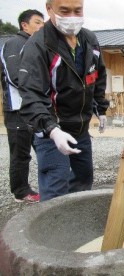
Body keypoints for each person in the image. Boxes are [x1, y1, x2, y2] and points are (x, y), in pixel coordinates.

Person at [18, 0, 109, 201]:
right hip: (52, 131)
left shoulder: (89, 40)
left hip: (80, 129)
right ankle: (52, 230)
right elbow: (31, 95)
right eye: (64, 11)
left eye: (77, 10)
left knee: (83, 182)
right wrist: (52, 129)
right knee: (55, 189)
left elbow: (97, 76)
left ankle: (76, 228)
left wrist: (100, 108)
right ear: (49, 10)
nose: (72, 16)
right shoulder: (38, 45)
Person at [0, 9, 44, 203]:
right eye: (37, 22)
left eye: (43, 23)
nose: (42, 26)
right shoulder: (14, 43)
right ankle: (20, 192)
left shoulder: (36, 45)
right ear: (24, 25)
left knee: (44, 146)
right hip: (18, 109)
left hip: (34, 107)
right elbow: (15, 76)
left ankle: (47, 185)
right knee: (20, 153)